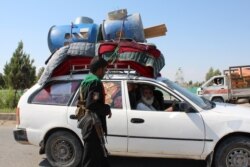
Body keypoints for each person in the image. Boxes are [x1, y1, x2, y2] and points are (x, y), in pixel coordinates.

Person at [79, 56, 112, 167]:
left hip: (89, 124)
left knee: (100, 156)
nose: (105, 72)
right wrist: (107, 109)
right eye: (104, 69)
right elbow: (91, 104)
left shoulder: (86, 80)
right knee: (90, 159)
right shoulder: (95, 82)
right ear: (99, 69)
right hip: (92, 126)